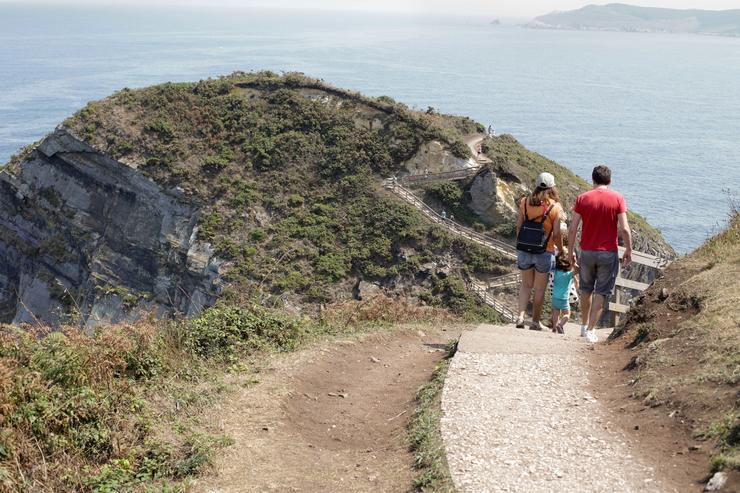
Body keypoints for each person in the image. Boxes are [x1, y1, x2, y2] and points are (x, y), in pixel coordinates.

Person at [568, 165, 632, 343]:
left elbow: (573, 228)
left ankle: (583, 325)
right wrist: (628, 249)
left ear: (593, 179)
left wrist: (570, 251)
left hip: (586, 251)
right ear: (609, 181)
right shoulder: (617, 198)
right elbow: (625, 229)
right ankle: (590, 330)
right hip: (607, 253)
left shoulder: (582, 198)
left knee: (586, 289)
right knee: (601, 292)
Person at [515, 172, 563, 331]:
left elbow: (519, 226)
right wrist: (561, 250)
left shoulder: (525, 202)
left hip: (524, 249)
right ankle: (535, 322)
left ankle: (521, 317)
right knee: (539, 288)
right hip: (544, 251)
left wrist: (522, 244)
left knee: (526, 285)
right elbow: (556, 234)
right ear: (552, 187)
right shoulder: (555, 207)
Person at [551, 247, 578, 334]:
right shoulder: (569, 274)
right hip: (564, 299)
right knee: (567, 314)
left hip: (555, 297)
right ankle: (560, 324)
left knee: (556, 313)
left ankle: (554, 328)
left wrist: (558, 256)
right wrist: (574, 262)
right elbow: (578, 269)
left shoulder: (555, 272)